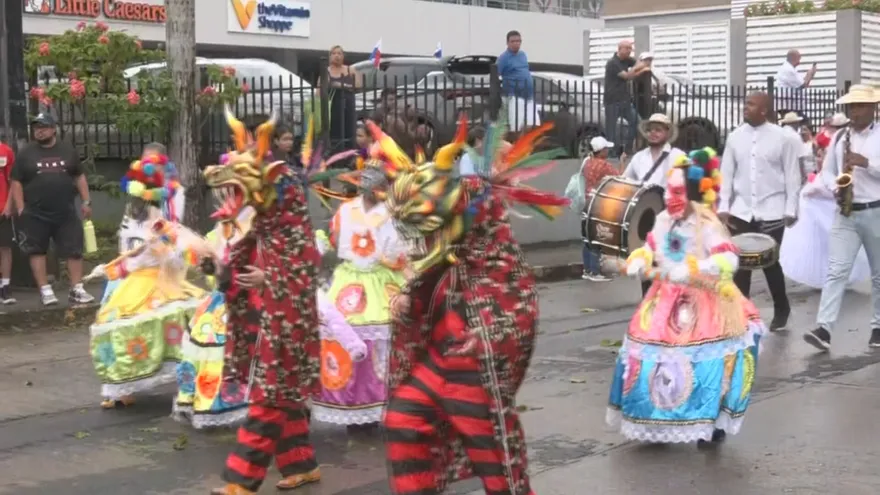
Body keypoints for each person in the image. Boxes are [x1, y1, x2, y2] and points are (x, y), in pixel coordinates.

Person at [376, 117, 569, 495]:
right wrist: (408, 300)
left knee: (495, 460)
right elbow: (429, 277)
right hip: (439, 361)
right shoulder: (446, 257)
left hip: (472, 370)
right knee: (404, 418)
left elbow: (518, 311)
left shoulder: (500, 260)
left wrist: (489, 335)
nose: (426, 240)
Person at [609, 148, 766, 445]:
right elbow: (651, 247)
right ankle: (656, 423)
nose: (671, 198)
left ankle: (709, 423)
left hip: (705, 302)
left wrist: (696, 269)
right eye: (669, 191)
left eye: (678, 191)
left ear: (695, 193)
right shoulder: (663, 220)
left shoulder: (708, 224)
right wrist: (640, 258)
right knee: (650, 358)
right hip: (664, 300)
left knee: (705, 365)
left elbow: (729, 261)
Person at [205, 111, 323, 494]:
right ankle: (302, 465)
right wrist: (222, 268)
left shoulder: (295, 231)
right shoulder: (265, 227)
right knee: (284, 396)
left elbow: (304, 271)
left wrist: (269, 277)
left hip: (288, 324)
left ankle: (241, 482)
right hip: (266, 320)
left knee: (270, 398)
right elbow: (238, 256)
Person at [87, 149, 206, 409]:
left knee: (174, 324)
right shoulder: (134, 217)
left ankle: (185, 380)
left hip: (153, 279)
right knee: (123, 324)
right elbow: (129, 250)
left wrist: (164, 247)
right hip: (136, 279)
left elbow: (170, 254)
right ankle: (119, 388)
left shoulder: (154, 217)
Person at [312, 162, 407, 431]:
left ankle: (379, 404)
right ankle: (352, 404)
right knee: (343, 338)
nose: (382, 192)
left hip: (381, 281)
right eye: (379, 187)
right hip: (348, 282)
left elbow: (398, 254)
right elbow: (332, 239)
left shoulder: (391, 213)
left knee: (382, 344)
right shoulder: (346, 210)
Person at [803, 85, 880, 351]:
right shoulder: (840, 138)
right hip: (846, 211)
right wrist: (836, 187)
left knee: (878, 274)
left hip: (876, 210)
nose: (854, 112)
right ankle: (824, 329)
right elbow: (826, 172)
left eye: (860, 106)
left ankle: (878, 327)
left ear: (873, 109)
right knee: (836, 271)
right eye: (851, 107)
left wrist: (866, 163)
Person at [718, 92, 801, 331]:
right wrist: (724, 208)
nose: (746, 107)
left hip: (773, 210)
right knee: (740, 263)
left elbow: (792, 176)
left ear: (764, 110)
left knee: (769, 261)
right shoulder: (735, 137)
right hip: (742, 210)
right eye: (745, 104)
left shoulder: (782, 138)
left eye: (751, 104)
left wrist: (791, 208)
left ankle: (781, 307)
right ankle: (742, 314)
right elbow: (726, 175)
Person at [172, 206, 255, 430]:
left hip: (251, 299)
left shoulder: (260, 220)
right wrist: (210, 266)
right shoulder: (222, 226)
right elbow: (220, 268)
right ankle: (217, 403)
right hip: (223, 300)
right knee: (210, 346)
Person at [9, 113, 94, 305]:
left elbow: (79, 177)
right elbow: (16, 181)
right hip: (35, 213)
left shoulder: (67, 150)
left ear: (53, 129)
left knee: (74, 250)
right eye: (36, 128)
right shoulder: (26, 153)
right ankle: (45, 291)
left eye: (44, 127)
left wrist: (86, 201)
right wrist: (21, 206)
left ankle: (77, 289)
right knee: (37, 251)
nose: (39, 131)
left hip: (65, 211)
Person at [622, 113, 687, 296]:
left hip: (670, 219)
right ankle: (648, 306)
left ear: (667, 132)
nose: (653, 133)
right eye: (650, 130)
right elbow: (626, 183)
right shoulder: (639, 158)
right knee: (647, 264)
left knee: (669, 265)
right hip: (645, 218)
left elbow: (687, 187)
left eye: (658, 130)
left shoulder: (678, 156)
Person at [578, 136, 619, 281]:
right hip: (598, 203)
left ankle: (588, 269)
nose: (608, 151)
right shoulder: (604, 165)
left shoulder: (587, 162)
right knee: (597, 237)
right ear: (600, 151)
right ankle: (595, 271)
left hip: (586, 202)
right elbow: (619, 177)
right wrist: (623, 162)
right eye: (606, 149)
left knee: (587, 237)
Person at [604, 40, 650, 157]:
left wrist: (640, 66)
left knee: (636, 122)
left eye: (631, 48)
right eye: (627, 48)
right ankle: (612, 154)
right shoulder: (612, 63)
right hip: (612, 101)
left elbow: (638, 62)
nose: (630, 51)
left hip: (625, 100)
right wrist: (640, 68)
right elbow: (626, 76)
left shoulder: (627, 60)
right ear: (620, 49)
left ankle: (628, 149)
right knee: (611, 130)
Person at [498, 30, 540, 132]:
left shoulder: (523, 55)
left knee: (534, 124)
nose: (516, 43)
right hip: (514, 95)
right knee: (517, 127)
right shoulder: (503, 58)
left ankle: (527, 144)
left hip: (529, 95)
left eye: (518, 41)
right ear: (507, 43)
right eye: (513, 41)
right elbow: (497, 74)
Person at [327, 45, 360, 152]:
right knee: (335, 134)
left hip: (348, 105)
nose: (337, 56)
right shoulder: (326, 71)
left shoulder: (350, 69)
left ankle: (350, 154)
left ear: (343, 56)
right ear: (330, 56)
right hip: (333, 107)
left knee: (349, 131)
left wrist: (342, 86)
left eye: (339, 53)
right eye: (334, 53)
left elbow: (359, 85)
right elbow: (319, 92)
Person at [774, 49, 817, 124]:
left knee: (792, 123)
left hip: (791, 104)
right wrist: (810, 74)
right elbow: (803, 84)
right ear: (794, 58)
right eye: (799, 59)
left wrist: (809, 75)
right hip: (788, 105)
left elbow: (802, 84)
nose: (799, 62)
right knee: (804, 123)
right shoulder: (789, 70)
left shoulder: (789, 69)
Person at [0, 135, 15, 304]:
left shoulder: (6, 151)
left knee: (5, 247)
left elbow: (13, 181)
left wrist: (9, 205)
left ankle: (5, 286)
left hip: (2, 208)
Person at [779, 111, 814, 180]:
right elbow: (800, 159)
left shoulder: (779, 134)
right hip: (794, 174)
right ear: (796, 123)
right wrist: (803, 176)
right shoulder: (795, 137)